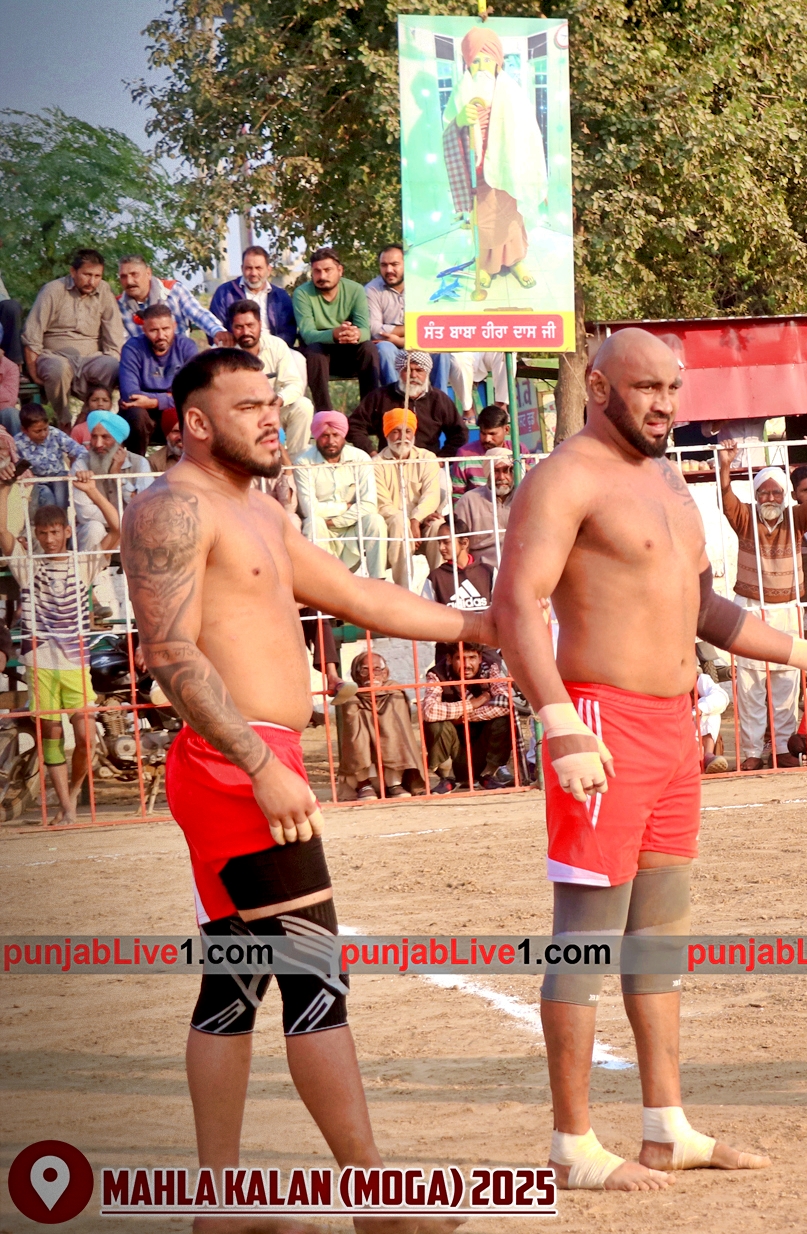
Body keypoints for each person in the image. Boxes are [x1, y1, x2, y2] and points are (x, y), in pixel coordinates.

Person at [121, 346, 491, 1229]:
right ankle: (375, 1202)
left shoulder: (256, 509)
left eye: (270, 401)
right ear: (196, 422)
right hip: (236, 762)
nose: (269, 417)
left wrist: (477, 623)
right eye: (246, 406)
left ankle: (219, 1204)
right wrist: (258, 764)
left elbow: (358, 593)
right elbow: (169, 651)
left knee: (233, 984)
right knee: (316, 979)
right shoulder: (172, 507)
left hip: (252, 756)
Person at [490, 327, 807, 1190]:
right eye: (647, 388)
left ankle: (666, 1127)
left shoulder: (668, 480)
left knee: (658, 935)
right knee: (586, 938)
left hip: (673, 725)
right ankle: (572, 1146)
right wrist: (559, 721)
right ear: (598, 387)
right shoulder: (564, 478)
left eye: (673, 388)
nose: (664, 405)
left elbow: (705, 609)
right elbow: (515, 603)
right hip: (599, 722)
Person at [1, 472, 119, 824]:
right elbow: (2, 533)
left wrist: (92, 491)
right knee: (51, 735)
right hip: (40, 662)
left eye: (55, 532)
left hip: (75, 663)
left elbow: (117, 528)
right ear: (36, 535)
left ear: (67, 531)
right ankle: (65, 807)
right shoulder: (27, 564)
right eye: (43, 533)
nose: (50, 539)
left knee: (86, 738)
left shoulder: (83, 563)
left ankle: (74, 789)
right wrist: (5, 490)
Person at [715, 443, 807, 770]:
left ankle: (782, 749)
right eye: (764, 493)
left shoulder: (796, 518)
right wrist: (725, 466)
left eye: (777, 492)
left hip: (788, 609)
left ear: (785, 496)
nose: (771, 498)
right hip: (751, 609)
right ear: (755, 496)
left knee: (786, 683)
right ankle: (752, 752)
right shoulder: (745, 518)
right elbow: (726, 500)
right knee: (750, 685)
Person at [454, 26, 550, 301]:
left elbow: (529, 133)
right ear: (467, 64)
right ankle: (487, 265)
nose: (482, 66)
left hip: (509, 168)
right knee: (485, 221)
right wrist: (460, 120)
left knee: (510, 218)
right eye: (476, 61)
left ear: (497, 62)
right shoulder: (461, 93)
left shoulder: (512, 92)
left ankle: (516, 261)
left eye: (487, 60)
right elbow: (449, 129)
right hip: (479, 170)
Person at [23, 248, 124, 427]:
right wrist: (33, 372)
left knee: (112, 365)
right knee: (58, 368)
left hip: (91, 358)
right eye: (87, 275)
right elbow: (32, 334)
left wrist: (112, 358)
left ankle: (85, 415)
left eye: (97, 276)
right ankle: (64, 421)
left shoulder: (104, 291)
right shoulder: (53, 290)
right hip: (54, 356)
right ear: (73, 271)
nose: (92, 281)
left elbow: (114, 337)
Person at [295, 410, 385, 578]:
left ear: (343, 435)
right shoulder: (304, 463)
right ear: (316, 437)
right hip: (323, 529)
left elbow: (369, 505)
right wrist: (345, 506)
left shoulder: (360, 458)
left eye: (336, 435)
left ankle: (378, 581)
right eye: (325, 435)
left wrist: (335, 521)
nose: (331, 441)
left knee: (375, 520)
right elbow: (310, 510)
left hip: (352, 528)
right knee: (313, 523)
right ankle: (320, 583)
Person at [292, 246, 377, 411]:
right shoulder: (302, 293)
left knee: (369, 348)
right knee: (314, 351)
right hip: (320, 354)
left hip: (349, 351)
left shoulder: (356, 290)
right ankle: (325, 414)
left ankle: (369, 412)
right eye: (317, 271)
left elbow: (365, 331)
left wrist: (355, 334)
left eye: (327, 270)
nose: (322, 276)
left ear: (340, 270)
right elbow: (308, 334)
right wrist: (334, 334)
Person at [374, 408, 451, 590]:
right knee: (398, 522)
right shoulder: (376, 464)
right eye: (396, 431)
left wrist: (416, 519)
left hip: (422, 524)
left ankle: (442, 588)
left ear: (414, 433)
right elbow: (383, 504)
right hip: (393, 529)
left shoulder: (427, 458)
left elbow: (431, 495)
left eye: (407, 431)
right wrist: (408, 523)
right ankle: (404, 591)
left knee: (438, 526)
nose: (402, 437)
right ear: (386, 434)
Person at [420, 641, 513, 790]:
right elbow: (429, 711)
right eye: (460, 658)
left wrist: (461, 717)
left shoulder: (490, 670)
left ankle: (488, 775)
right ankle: (447, 778)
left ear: (480, 658)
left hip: (482, 753)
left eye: (472, 658)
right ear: (449, 659)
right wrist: (474, 703)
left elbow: (506, 704)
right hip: (453, 755)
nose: (466, 664)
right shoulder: (437, 674)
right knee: (435, 723)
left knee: (503, 720)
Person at [224, 298, 312, 454]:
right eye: (239, 327)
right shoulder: (222, 353)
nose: (246, 332)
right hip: (242, 414)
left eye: (250, 325)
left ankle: (295, 462)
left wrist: (278, 401)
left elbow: (294, 384)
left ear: (260, 324)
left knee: (303, 406)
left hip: (275, 407)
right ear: (231, 328)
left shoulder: (276, 345)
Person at [334, 651, 426, 799]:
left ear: (385, 673)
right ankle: (364, 784)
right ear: (356, 674)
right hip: (365, 770)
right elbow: (352, 734)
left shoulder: (395, 692)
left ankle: (394, 784)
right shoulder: (352, 696)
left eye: (377, 669)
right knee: (359, 736)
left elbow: (398, 730)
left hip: (393, 768)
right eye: (365, 670)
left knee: (393, 734)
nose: (371, 675)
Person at [350, 346, 465, 457]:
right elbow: (355, 425)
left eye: (419, 370)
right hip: (389, 463)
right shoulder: (381, 396)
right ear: (399, 371)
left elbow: (460, 433)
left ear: (427, 373)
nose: (413, 375)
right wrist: (372, 453)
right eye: (407, 370)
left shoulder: (439, 399)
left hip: (428, 464)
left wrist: (442, 459)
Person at [119, 303, 199, 454]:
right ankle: (138, 465)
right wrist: (170, 397)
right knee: (136, 413)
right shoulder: (132, 348)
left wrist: (154, 402)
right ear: (144, 330)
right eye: (154, 330)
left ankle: (189, 462)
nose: (161, 336)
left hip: (175, 411)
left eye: (165, 329)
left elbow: (194, 393)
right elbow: (130, 395)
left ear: (174, 326)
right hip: (143, 415)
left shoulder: (186, 347)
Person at [115, 254, 227, 346]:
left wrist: (218, 331)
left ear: (148, 273)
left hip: (180, 358)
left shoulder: (174, 290)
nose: (129, 281)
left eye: (134, 274)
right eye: (123, 276)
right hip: (142, 362)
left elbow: (197, 313)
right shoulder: (117, 306)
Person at [210, 244, 299, 347]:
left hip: (273, 348)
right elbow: (214, 327)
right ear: (242, 268)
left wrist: (273, 347)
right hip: (236, 348)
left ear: (269, 270)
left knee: (297, 357)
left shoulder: (280, 296)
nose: (253, 273)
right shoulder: (225, 293)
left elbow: (289, 331)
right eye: (249, 268)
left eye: (258, 268)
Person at [452, 452, 514, 571]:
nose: (502, 477)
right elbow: (459, 544)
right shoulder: (469, 500)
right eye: (496, 471)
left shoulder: (524, 497)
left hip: (520, 567)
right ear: (487, 473)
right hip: (482, 571)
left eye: (507, 471)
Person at [362, 243, 412, 391]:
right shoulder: (371, 290)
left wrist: (401, 339)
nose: (389, 270)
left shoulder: (421, 286)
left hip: (419, 344)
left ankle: (438, 400)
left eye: (394, 264)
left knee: (441, 352)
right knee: (384, 348)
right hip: (389, 346)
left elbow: (430, 325)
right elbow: (374, 329)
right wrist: (411, 328)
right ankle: (396, 398)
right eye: (384, 265)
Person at [425, 529, 494, 612]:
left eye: (446, 542)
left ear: (464, 543)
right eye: (439, 543)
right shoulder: (435, 577)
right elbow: (426, 612)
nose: (441, 548)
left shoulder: (488, 572)